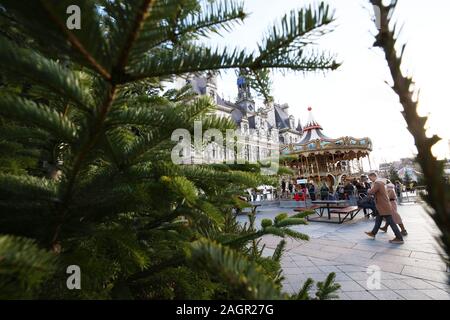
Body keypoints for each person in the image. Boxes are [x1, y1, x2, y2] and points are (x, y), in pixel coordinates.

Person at [365, 173, 404, 244]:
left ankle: (399, 237)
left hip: (383, 206)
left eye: (370, 177)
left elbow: (372, 191)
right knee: (378, 220)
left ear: (373, 176)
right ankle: (373, 233)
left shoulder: (378, 183)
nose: (369, 179)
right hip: (382, 206)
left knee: (391, 222)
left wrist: (368, 190)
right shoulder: (381, 182)